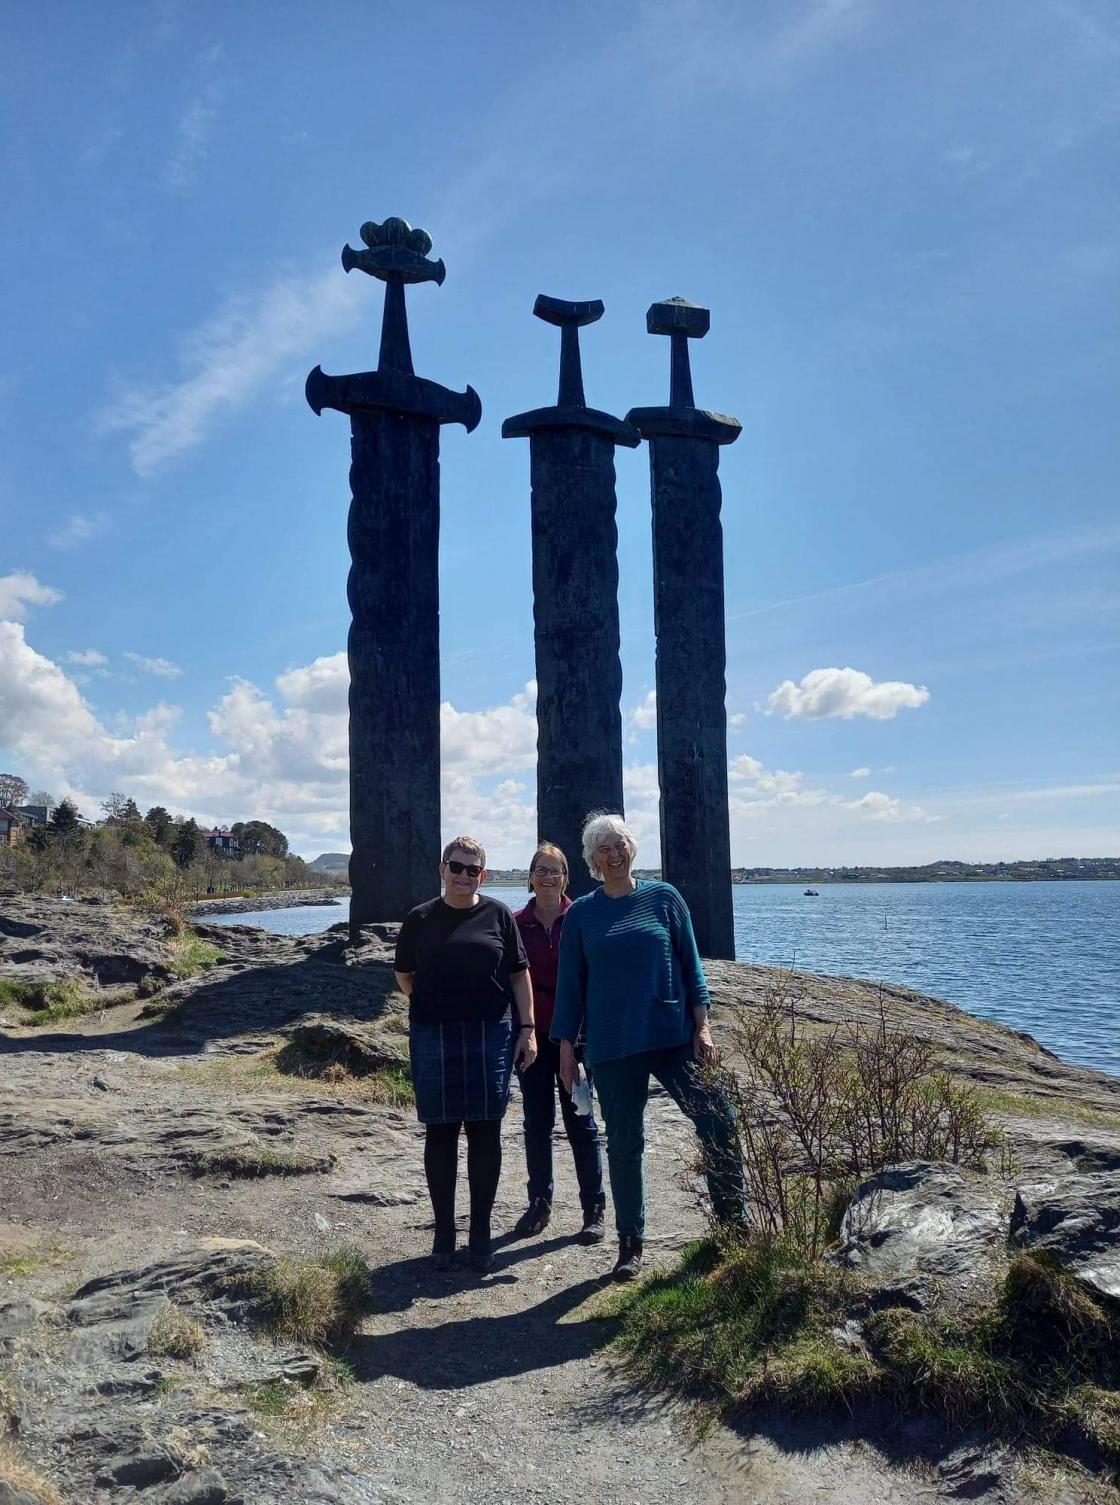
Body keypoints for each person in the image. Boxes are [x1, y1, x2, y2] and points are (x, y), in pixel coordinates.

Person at [552, 812, 746, 1282]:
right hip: (614, 1045)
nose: (614, 854)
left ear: (631, 848)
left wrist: (703, 1027)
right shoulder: (581, 913)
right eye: (604, 849)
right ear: (593, 860)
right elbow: (570, 987)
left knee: (718, 1120)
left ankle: (733, 1228)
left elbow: (691, 965)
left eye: (619, 845)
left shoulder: (665, 898)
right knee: (624, 1145)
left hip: (673, 1036)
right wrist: (565, 1050)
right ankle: (630, 1243)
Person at [394, 836, 537, 1273]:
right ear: (442, 870)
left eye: (472, 870)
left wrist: (527, 1029)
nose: (463, 875)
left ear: (483, 875)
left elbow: (518, 973)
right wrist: (436, 1005)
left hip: (490, 1033)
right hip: (433, 1032)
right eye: (456, 867)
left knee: (484, 1131)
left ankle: (479, 1233)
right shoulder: (419, 918)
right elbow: (405, 975)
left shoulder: (497, 915)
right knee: (439, 1132)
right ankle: (443, 1233)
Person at [510, 842, 606, 1244]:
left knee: (581, 1121)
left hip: (577, 1037)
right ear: (530, 877)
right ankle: (539, 1203)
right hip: (532, 1036)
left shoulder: (581, 917)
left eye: (555, 870)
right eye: (540, 870)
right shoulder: (515, 922)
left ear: (566, 877)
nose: (548, 877)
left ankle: (594, 1209)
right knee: (536, 1124)